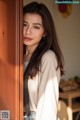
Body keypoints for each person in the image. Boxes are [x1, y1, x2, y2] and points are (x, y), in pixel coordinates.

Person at [23, 1, 64, 120]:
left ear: (45, 32)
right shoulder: (17, 57)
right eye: (24, 24)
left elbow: (48, 105)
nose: (28, 31)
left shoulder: (48, 57)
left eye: (36, 27)